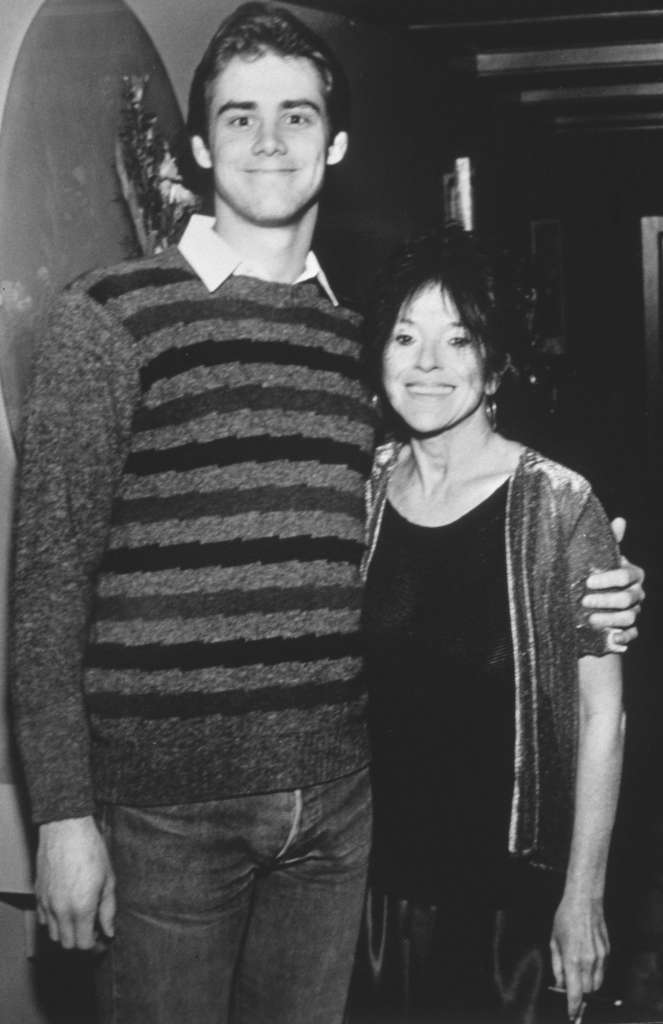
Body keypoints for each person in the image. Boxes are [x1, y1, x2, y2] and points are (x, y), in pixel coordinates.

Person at [9, 6, 642, 1024]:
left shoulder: (357, 347)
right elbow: (46, 589)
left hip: (340, 810)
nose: (269, 140)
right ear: (198, 144)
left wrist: (592, 573)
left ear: (335, 145)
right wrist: (62, 815)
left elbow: (437, 504)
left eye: (297, 116)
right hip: (169, 814)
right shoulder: (107, 318)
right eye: (241, 116)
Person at [351, 228, 629, 1024]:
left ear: (493, 360)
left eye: (456, 339)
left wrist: (583, 895)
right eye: (405, 337)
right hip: (371, 893)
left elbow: (602, 715)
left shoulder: (559, 504)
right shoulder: (358, 492)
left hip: (507, 906)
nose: (426, 364)